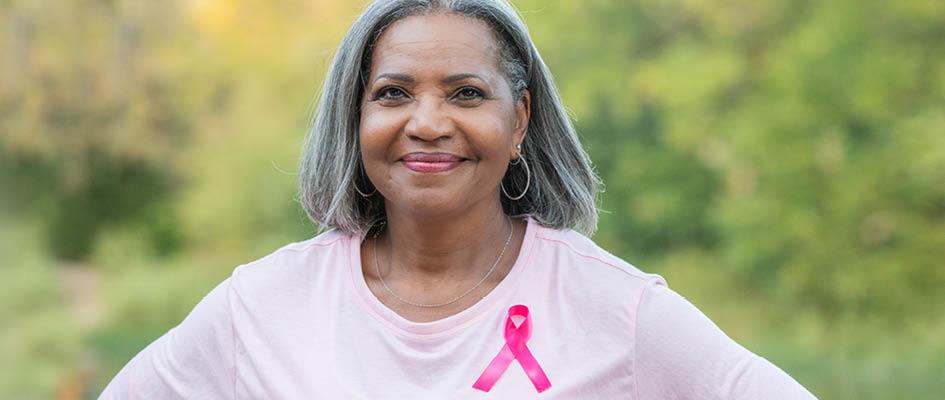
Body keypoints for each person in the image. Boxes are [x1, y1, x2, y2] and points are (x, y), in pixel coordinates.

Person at [100, 0, 818, 398]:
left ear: (520, 120)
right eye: (393, 93)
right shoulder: (260, 305)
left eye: (466, 93)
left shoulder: (616, 309)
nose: (427, 121)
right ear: (357, 119)